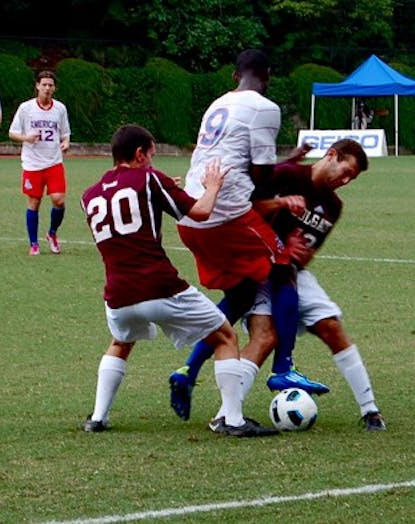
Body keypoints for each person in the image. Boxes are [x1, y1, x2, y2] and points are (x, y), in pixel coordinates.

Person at [80, 124, 278, 437]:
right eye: (151, 155)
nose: (153, 162)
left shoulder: (89, 195)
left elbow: (129, 209)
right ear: (139, 153)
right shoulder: (149, 178)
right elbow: (199, 212)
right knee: (225, 336)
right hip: (159, 286)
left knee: (120, 342)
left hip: (117, 296)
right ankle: (233, 420)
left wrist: (162, 189)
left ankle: (98, 418)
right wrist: (212, 186)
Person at [169, 50, 327, 422]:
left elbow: (238, 159)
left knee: (241, 293)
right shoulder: (265, 107)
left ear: (235, 75)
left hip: (192, 214)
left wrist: (286, 160)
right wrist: (289, 177)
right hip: (226, 216)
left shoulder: (218, 104)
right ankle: (283, 367)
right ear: (267, 75)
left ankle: (187, 371)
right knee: (285, 265)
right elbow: (259, 176)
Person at [190, 139, 387, 432]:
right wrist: (280, 207)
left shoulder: (333, 206)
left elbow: (306, 253)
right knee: (264, 337)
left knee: (331, 327)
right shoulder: (288, 176)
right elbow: (247, 208)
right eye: (345, 171)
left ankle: (370, 410)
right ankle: (226, 415)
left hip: (290, 274)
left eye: (352, 178)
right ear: (331, 155)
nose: (345, 180)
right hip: (257, 267)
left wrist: (300, 254)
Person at [9, 70, 70, 256]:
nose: (47, 88)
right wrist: (26, 138)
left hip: (54, 162)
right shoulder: (26, 108)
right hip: (32, 164)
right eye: (44, 84)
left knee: (58, 200)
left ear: (54, 88)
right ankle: (34, 243)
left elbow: (65, 133)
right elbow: (12, 133)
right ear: (37, 86)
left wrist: (65, 143)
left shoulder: (60, 108)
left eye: (50, 85)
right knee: (34, 203)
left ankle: (52, 234)